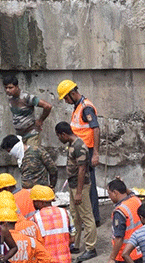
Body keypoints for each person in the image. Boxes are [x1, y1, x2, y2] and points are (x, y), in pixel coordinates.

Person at [57, 79, 101, 225]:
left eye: (65, 98)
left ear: (72, 93)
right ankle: (88, 216)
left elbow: (96, 128)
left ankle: (93, 217)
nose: (65, 101)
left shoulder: (85, 108)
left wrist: (95, 153)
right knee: (84, 183)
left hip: (86, 150)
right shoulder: (78, 107)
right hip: (79, 149)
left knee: (89, 183)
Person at [56, 121, 98, 263]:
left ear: (63, 134)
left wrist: (79, 192)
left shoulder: (79, 146)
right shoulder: (72, 145)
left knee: (87, 216)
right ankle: (76, 244)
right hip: (74, 186)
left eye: (59, 136)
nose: (59, 139)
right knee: (75, 216)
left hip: (81, 186)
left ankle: (91, 248)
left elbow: (82, 170)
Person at [2, 73, 52, 147]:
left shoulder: (27, 97)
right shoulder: (10, 98)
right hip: (20, 136)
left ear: (17, 87)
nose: (8, 90)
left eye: (10, 87)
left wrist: (40, 120)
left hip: (31, 135)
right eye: (6, 88)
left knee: (31, 157)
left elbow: (47, 106)